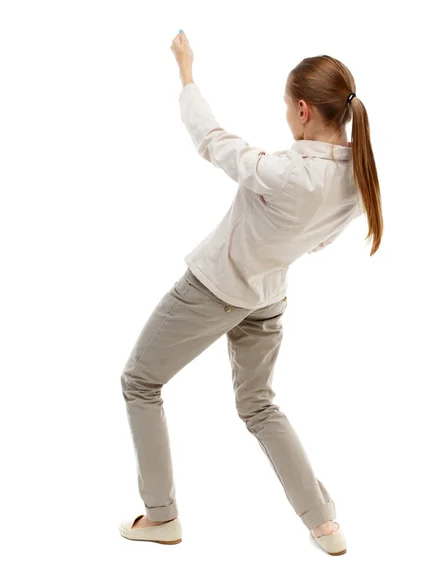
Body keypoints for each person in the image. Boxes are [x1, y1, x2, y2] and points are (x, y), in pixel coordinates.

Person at [118, 31, 383, 556]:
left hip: (213, 290)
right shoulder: (358, 179)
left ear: (303, 110)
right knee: (259, 406)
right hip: (267, 295)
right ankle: (325, 525)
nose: (286, 115)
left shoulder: (285, 171)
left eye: (287, 106)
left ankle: (161, 517)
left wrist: (187, 74)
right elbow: (320, 242)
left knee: (139, 382)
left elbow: (211, 140)